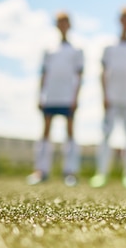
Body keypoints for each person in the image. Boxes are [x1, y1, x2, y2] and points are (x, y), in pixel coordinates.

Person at [27, 11, 84, 186]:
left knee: (70, 133)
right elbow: (43, 74)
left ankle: (70, 172)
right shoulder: (49, 50)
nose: (63, 25)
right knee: (45, 132)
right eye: (60, 22)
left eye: (65, 22)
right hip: (51, 96)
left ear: (70, 24)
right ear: (56, 25)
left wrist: (75, 97)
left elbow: (79, 76)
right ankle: (41, 170)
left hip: (68, 97)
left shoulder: (76, 51)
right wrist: (40, 95)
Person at [90, 6, 126, 189]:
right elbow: (103, 73)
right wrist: (104, 95)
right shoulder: (109, 47)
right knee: (106, 136)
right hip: (111, 98)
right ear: (120, 20)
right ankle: (102, 173)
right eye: (125, 18)